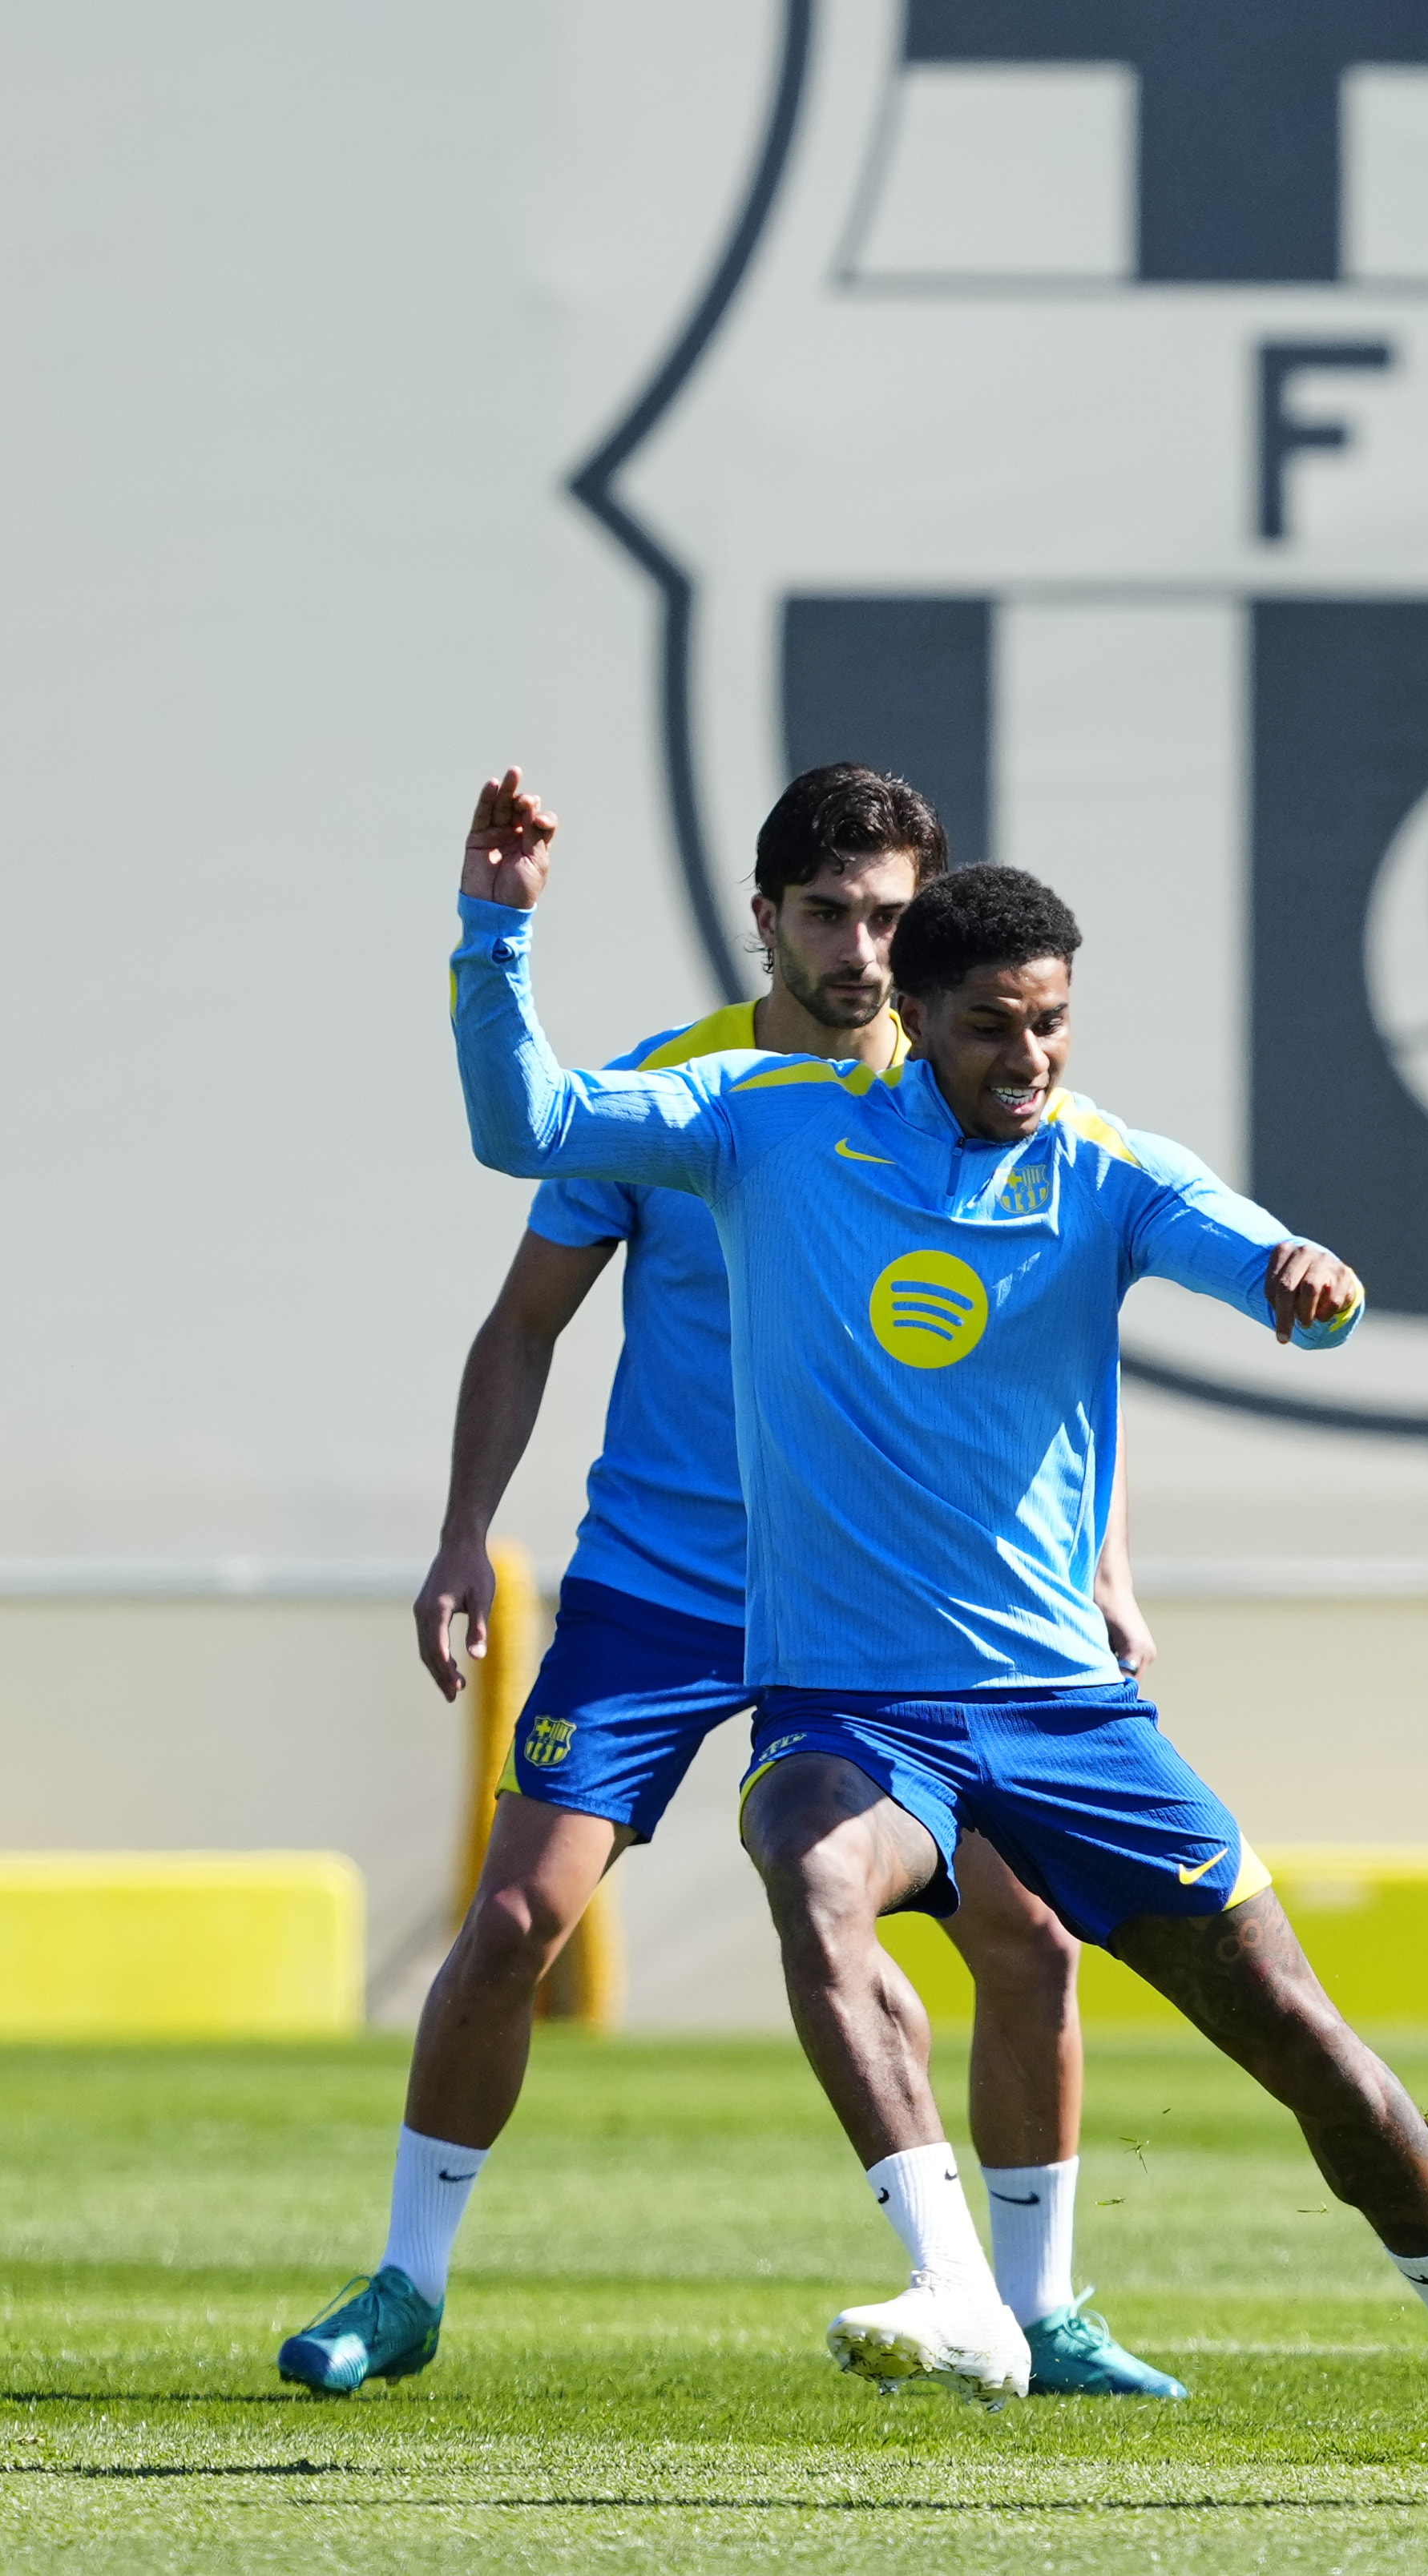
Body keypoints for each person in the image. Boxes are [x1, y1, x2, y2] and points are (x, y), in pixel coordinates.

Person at [440, 770, 1428, 2455]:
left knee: (1299, 2036)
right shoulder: (761, 1124)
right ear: (911, 1017)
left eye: (1053, 1026)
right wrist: (497, 931)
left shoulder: (1105, 1169)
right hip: (852, 1705)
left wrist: (1307, 1284)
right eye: (995, 1030)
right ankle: (961, 2291)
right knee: (814, 1869)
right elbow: (524, 1127)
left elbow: (1262, 1262)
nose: (1033, 1062)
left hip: (1066, 1714)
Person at [280, 765, 1181, 2402]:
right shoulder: (680, 1094)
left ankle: (1041, 2311)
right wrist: (460, 1531)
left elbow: (1043, 1364)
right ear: (762, 916)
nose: (858, 949)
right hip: (664, 1587)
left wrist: (1102, 1568)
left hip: (906, 1606)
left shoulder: (970, 1093)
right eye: (828, 913)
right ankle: (406, 2283)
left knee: (1030, 1932)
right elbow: (525, 1325)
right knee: (510, 1926)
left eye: (892, 918)